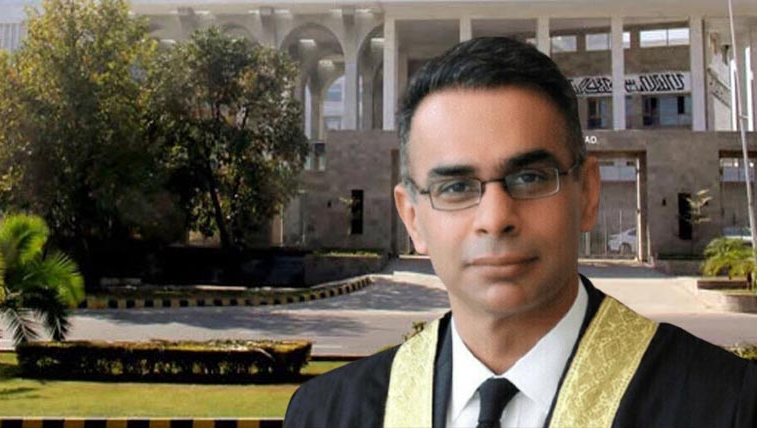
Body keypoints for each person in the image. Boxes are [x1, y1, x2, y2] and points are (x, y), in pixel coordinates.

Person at [284, 37, 757, 428]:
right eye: (456, 187)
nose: (495, 217)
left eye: (530, 178)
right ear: (412, 218)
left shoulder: (726, 405)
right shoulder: (327, 414)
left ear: (587, 194)